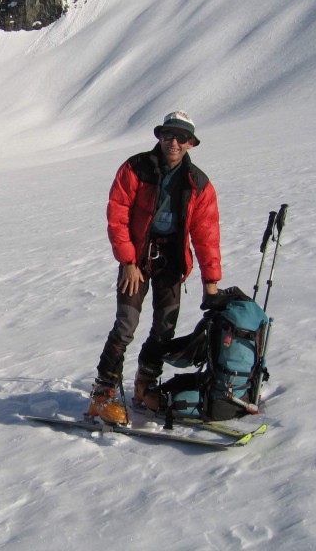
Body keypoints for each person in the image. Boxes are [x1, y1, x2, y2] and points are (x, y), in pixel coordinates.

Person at [87, 111, 221, 424]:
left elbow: (207, 235)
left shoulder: (198, 183)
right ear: (159, 137)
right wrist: (129, 262)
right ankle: (102, 392)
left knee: (165, 329)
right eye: (168, 135)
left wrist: (211, 282)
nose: (173, 142)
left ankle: (145, 384)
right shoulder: (135, 168)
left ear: (191, 143)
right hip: (137, 259)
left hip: (171, 262)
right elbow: (117, 215)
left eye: (181, 137)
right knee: (126, 325)